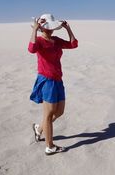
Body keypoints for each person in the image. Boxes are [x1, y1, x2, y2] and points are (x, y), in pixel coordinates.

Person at [28, 13, 78, 155]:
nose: (49, 30)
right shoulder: (38, 40)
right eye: (46, 28)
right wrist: (34, 29)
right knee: (49, 114)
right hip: (47, 81)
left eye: (51, 28)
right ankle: (49, 146)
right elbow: (31, 49)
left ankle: (39, 129)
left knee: (59, 112)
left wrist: (68, 29)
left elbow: (73, 44)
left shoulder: (56, 40)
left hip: (58, 80)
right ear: (41, 28)